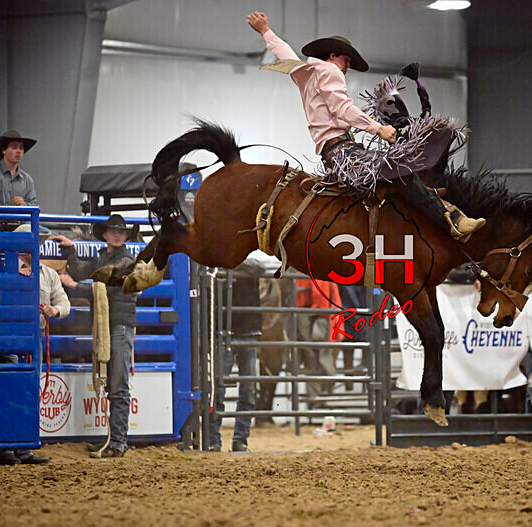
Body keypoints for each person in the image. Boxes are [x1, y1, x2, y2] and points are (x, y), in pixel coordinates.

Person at [246, 11, 485, 242]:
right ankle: (451, 220)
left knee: (397, 175)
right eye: (345, 59)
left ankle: (429, 198)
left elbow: (286, 55)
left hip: (332, 154)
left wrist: (266, 31)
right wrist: (378, 128)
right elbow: (343, 108)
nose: (347, 66)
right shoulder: (330, 71)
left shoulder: (306, 73)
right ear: (332, 56)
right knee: (400, 171)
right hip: (343, 152)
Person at [52, 215, 139, 458]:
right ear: (105, 234)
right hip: (112, 325)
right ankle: (115, 439)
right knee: (114, 382)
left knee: (118, 384)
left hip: (119, 325)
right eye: (113, 230)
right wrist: (71, 251)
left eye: (121, 231)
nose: (117, 234)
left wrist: (72, 284)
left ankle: (118, 442)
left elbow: (104, 285)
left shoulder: (125, 260)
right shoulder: (104, 257)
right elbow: (83, 271)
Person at [0, 224, 70, 466]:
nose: (35, 247)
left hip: (32, 337)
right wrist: (18, 282)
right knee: (10, 390)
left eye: (37, 242)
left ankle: (23, 448)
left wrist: (54, 310)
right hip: (8, 337)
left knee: (27, 391)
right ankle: (7, 450)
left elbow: (64, 302)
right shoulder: (6, 269)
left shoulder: (48, 274)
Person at [208, 258, 264, 453]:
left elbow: (259, 268)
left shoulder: (244, 263)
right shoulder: (216, 266)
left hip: (245, 332)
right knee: (218, 388)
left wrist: (234, 263)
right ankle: (215, 440)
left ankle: (239, 439)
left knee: (246, 388)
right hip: (226, 332)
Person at [0, 131, 38, 206]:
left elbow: (33, 205)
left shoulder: (27, 180)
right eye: (14, 147)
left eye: (21, 148)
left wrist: (24, 205)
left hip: (17, 218)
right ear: (4, 150)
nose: (19, 151)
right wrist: (3, 208)